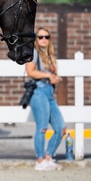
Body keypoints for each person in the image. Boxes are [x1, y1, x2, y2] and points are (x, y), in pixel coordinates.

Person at [25, 27, 66, 171]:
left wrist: (54, 78)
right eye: (40, 37)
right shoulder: (34, 52)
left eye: (46, 37)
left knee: (61, 128)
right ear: (36, 39)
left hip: (49, 93)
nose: (43, 40)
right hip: (39, 92)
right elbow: (30, 71)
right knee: (42, 127)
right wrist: (49, 76)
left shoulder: (49, 55)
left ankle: (48, 157)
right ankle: (40, 160)